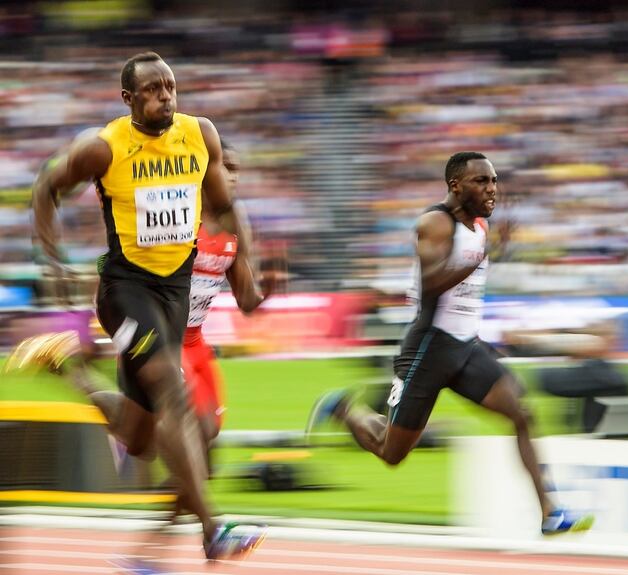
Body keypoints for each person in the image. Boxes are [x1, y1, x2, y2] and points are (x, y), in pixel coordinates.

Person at [8, 52, 265, 561]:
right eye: (151, 90)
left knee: (140, 437)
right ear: (128, 99)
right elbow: (46, 186)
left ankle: (70, 369)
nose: (164, 96)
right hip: (125, 290)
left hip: (174, 290)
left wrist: (246, 257)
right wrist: (51, 260)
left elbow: (221, 199)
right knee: (173, 391)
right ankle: (212, 530)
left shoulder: (200, 134)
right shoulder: (103, 148)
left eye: (169, 86)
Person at [305, 152, 593, 535]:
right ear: (456, 185)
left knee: (521, 413)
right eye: (481, 182)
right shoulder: (434, 224)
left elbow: (467, 297)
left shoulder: (479, 226)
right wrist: (485, 256)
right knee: (392, 453)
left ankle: (550, 511)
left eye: (494, 181)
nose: (492, 189)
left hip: (466, 347)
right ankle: (344, 409)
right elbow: (432, 288)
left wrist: (481, 340)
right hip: (428, 351)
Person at [183, 142, 277, 463]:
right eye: (227, 168)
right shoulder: (183, 212)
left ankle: (177, 500)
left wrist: (270, 287)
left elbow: (247, 302)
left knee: (211, 432)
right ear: (206, 169)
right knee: (199, 426)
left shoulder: (234, 221)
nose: (233, 178)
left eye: (237, 171)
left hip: (194, 339)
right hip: (164, 335)